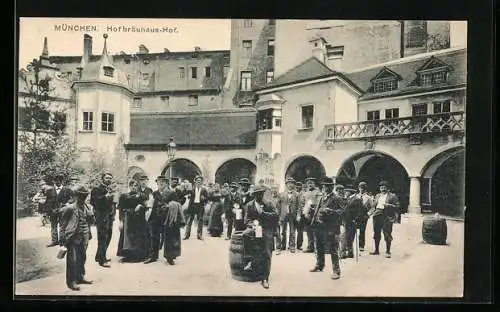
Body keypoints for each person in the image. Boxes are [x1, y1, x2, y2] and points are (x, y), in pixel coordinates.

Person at [242, 185, 279, 289]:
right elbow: (246, 220)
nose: (259, 195)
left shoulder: (269, 203)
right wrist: (252, 225)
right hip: (255, 229)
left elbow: (276, 215)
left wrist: (264, 214)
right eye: (257, 194)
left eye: (261, 193)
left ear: (263, 194)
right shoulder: (249, 205)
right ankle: (249, 259)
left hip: (266, 229)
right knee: (245, 234)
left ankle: (265, 279)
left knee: (267, 253)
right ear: (254, 195)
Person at [59, 186, 95, 291]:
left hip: (85, 236)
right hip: (72, 237)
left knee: (82, 257)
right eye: (80, 196)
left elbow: (92, 222)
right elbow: (62, 224)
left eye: (84, 196)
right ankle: (71, 281)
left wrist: (91, 215)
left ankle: (80, 277)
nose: (82, 198)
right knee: (72, 260)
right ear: (76, 196)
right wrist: (62, 239)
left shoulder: (88, 207)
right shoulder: (70, 208)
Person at [309, 177, 344, 280]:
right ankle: (320, 265)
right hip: (319, 225)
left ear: (331, 187)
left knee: (332, 249)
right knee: (319, 246)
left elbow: (342, 212)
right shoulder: (321, 197)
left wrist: (331, 211)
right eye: (323, 186)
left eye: (327, 186)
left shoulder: (337, 198)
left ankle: (336, 271)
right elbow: (318, 209)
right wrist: (313, 213)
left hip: (331, 227)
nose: (324, 188)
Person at [116, 179, 149, 262]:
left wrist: (141, 206)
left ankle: (139, 256)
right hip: (128, 219)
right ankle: (127, 255)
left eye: (135, 186)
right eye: (132, 185)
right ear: (129, 186)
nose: (134, 187)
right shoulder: (124, 196)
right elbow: (120, 209)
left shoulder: (142, 195)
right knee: (127, 237)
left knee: (138, 237)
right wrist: (120, 221)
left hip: (139, 219)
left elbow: (146, 206)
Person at [90, 172, 116, 268]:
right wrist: (105, 197)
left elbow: (112, 204)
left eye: (110, 178)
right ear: (102, 179)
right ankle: (102, 260)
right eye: (107, 178)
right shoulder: (96, 189)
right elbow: (93, 201)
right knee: (102, 237)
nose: (109, 179)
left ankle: (99, 256)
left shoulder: (109, 189)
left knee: (108, 236)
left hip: (109, 216)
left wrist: (113, 214)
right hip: (101, 216)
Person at [369, 180, 400, 258]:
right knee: (376, 233)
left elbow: (397, 206)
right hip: (377, 215)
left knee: (387, 233)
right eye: (381, 186)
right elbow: (373, 206)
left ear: (387, 187)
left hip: (387, 216)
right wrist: (371, 212)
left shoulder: (392, 196)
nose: (382, 188)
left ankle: (388, 251)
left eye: (384, 186)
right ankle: (376, 250)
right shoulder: (377, 196)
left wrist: (389, 205)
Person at [144, 176, 169, 264]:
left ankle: (169, 257)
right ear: (157, 183)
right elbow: (149, 205)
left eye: (163, 182)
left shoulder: (170, 193)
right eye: (159, 182)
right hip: (155, 218)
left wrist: (168, 206)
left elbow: (176, 203)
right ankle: (153, 256)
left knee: (168, 237)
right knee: (154, 237)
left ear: (166, 183)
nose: (161, 183)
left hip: (166, 218)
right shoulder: (154, 194)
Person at [277, 177, 301, 253]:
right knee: (283, 231)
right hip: (283, 215)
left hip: (292, 215)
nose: (290, 185)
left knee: (292, 231)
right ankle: (282, 245)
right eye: (288, 183)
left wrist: (298, 215)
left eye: (292, 183)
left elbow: (299, 206)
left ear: (294, 185)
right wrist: (279, 216)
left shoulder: (297, 195)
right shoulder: (281, 194)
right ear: (286, 185)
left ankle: (292, 246)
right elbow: (278, 206)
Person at [162, 190, 186, 265]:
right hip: (175, 225)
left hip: (168, 225)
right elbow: (182, 215)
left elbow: (163, 213)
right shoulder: (178, 204)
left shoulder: (167, 205)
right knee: (175, 241)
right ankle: (172, 256)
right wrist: (182, 223)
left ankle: (168, 256)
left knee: (168, 241)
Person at [300, 177, 323, 253]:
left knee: (315, 231)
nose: (310, 184)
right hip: (307, 214)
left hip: (315, 214)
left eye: (311, 183)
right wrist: (304, 210)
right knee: (308, 231)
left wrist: (314, 208)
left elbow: (320, 203)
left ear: (314, 184)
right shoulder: (305, 193)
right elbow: (302, 203)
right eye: (308, 183)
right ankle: (310, 247)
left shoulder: (318, 192)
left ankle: (317, 248)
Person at [341, 187, 364, 259]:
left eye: (346, 191)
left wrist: (356, 219)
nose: (345, 193)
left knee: (346, 236)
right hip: (347, 220)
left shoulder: (356, 199)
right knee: (348, 236)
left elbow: (360, 211)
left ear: (350, 192)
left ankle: (344, 253)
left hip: (352, 221)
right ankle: (350, 252)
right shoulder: (348, 199)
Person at [184, 175, 208, 240]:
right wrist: (189, 195)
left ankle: (199, 235)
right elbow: (187, 195)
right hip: (192, 206)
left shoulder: (204, 189)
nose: (199, 182)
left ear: (201, 182)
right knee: (189, 220)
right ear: (195, 181)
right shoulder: (192, 189)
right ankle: (187, 235)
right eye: (197, 181)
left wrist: (204, 198)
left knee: (200, 220)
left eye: (200, 181)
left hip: (200, 206)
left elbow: (207, 198)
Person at [355, 181, 374, 252]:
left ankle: (361, 245)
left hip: (363, 216)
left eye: (363, 188)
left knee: (362, 231)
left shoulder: (369, 198)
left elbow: (372, 207)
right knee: (353, 230)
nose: (361, 189)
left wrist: (368, 214)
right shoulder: (356, 196)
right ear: (358, 188)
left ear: (365, 189)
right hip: (356, 216)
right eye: (360, 188)